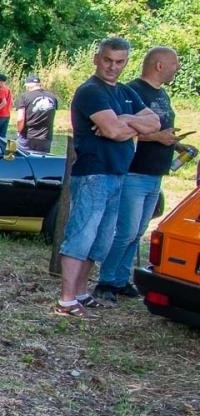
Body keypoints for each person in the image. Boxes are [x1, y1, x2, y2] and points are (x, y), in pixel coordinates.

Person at [53, 37, 160, 317]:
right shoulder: (90, 91)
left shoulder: (125, 92)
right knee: (81, 235)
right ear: (97, 59)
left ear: (126, 62)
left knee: (100, 240)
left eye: (120, 62)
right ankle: (66, 300)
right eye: (108, 60)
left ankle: (80, 292)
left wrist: (124, 121)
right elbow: (113, 132)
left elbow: (155, 123)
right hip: (94, 173)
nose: (113, 67)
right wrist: (129, 125)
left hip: (117, 172)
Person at [96, 46, 181, 299]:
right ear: (159, 65)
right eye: (174, 64)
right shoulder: (132, 91)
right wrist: (157, 137)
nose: (177, 68)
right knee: (125, 230)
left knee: (138, 231)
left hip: (156, 172)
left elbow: (158, 129)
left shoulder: (162, 94)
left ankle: (121, 279)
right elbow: (121, 129)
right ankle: (106, 281)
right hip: (135, 171)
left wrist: (175, 143)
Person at [18, 75, 59, 153]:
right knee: (41, 162)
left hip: (27, 136)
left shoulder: (25, 96)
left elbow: (20, 119)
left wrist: (19, 131)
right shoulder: (53, 97)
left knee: (24, 160)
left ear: (28, 85)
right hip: (46, 136)